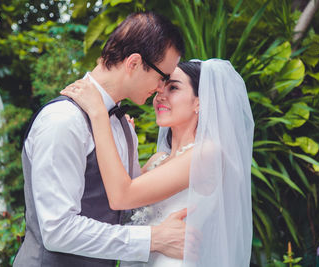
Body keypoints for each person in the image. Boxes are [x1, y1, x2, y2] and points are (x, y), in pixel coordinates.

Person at [13, 11, 187, 267]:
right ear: (134, 63)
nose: (162, 89)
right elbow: (58, 231)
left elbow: (126, 211)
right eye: (162, 77)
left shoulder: (123, 127)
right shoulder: (63, 120)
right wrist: (153, 239)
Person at [61, 59, 255, 266]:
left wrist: (98, 113)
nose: (160, 95)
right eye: (160, 87)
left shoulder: (207, 153)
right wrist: (128, 143)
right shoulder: (158, 159)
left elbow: (122, 196)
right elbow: (124, 208)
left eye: (173, 87)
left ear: (200, 101)